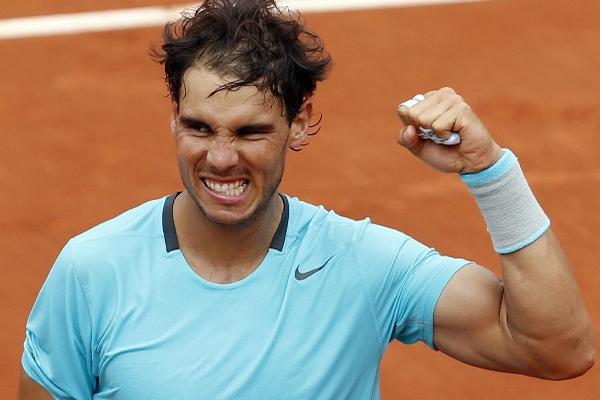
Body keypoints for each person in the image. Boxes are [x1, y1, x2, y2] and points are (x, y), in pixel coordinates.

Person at [18, 0, 595, 399]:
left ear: (300, 124)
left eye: (250, 133)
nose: (220, 159)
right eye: (199, 127)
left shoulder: (364, 266)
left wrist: (491, 173)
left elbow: (558, 349)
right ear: (174, 119)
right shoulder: (92, 271)